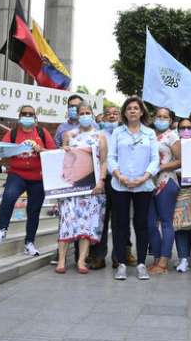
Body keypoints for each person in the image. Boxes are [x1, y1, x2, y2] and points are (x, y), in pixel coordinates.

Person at [0, 105, 56, 257]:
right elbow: (2, 150)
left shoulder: (42, 132)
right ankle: (2, 229)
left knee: (34, 210)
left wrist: (41, 150)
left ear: (35, 117)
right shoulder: (12, 133)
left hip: (38, 177)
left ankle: (29, 243)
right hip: (17, 174)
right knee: (9, 197)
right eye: (24, 113)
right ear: (19, 116)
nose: (27, 116)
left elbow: (54, 151)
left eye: (30, 114)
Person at [108, 96, 159, 280]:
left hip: (143, 185)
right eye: (129, 108)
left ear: (142, 111)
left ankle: (141, 264)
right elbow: (111, 157)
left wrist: (143, 177)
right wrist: (119, 175)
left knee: (141, 224)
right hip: (120, 185)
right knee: (120, 225)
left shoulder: (150, 134)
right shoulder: (117, 133)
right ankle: (121, 263)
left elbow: (155, 159)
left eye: (136, 108)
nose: (132, 111)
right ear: (124, 112)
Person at [56, 102, 108, 274]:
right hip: (71, 188)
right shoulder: (69, 135)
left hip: (92, 189)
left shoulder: (100, 136)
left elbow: (103, 161)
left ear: (92, 115)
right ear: (77, 116)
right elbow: (63, 158)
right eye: (82, 113)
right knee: (66, 222)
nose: (85, 115)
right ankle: (62, 261)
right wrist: (62, 150)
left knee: (87, 224)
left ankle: (81, 261)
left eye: (88, 112)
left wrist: (101, 181)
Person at [89, 105, 131, 269]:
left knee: (120, 221)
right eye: (108, 114)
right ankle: (98, 257)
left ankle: (119, 257)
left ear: (120, 117)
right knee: (101, 220)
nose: (112, 116)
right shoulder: (97, 136)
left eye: (115, 114)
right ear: (103, 118)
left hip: (121, 181)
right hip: (102, 180)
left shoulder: (127, 134)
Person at [147, 107, 181, 274]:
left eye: (165, 117)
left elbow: (180, 161)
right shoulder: (147, 134)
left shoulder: (172, 136)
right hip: (147, 184)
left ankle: (163, 261)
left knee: (166, 222)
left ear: (170, 120)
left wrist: (159, 167)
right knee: (149, 224)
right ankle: (156, 257)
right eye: (158, 116)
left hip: (166, 182)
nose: (161, 119)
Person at [174, 118, 191, 272]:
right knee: (180, 225)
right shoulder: (174, 145)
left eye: (189, 127)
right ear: (178, 130)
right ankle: (183, 258)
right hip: (179, 190)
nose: (186, 130)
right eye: (182, 127)